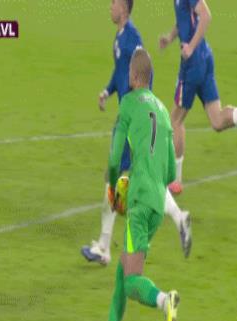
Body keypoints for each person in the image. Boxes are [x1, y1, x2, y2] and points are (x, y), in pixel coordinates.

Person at [87, 48, 180, 321]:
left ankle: (164, 300)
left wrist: (115, 188)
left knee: (131, 281)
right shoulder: (164, 111)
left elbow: (115, 159)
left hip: (138, 203)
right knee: (121, 276)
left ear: (134, 75)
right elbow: (171, 173)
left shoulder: (127, 104)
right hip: (156, 205)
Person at [82, 0, 191, 266]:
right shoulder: (121, 37)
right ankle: (179, 217)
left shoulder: (133, 39)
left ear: (124, 8)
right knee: (145, 177)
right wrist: (108, 91)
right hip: (134, 117)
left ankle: (104, 247)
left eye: (114, 3)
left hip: (132, 120)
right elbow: (120, 71)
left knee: (112, 176)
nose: (110, 6)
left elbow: (145, 71)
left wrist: (141, 106)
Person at [159, 0, 237, 195]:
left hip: (192, 64)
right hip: (205, 58)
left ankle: (175, 180)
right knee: (216, 121)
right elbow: (183, 20)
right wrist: (170, 37)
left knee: (175, 120)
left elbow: (206, 15)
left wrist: (190, 47)